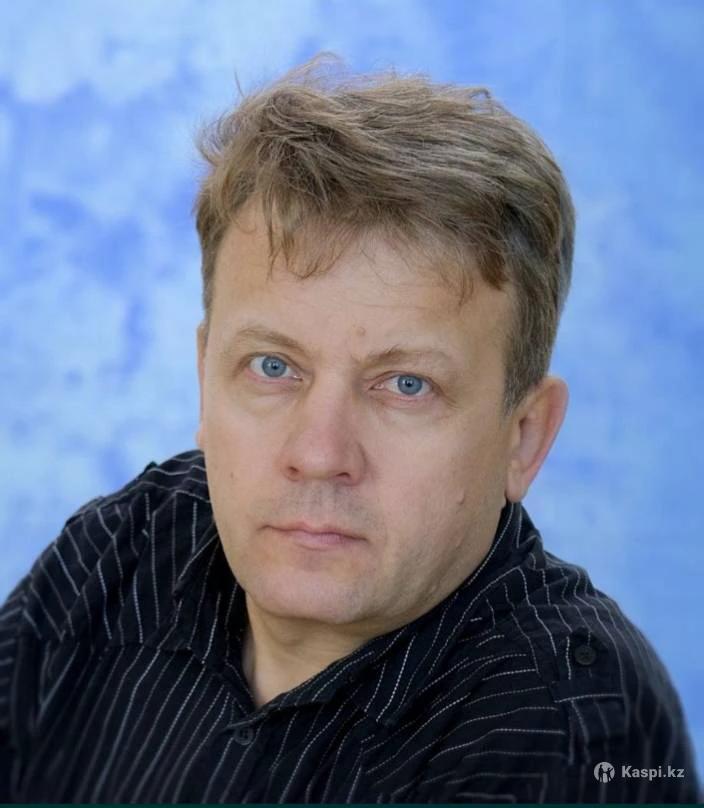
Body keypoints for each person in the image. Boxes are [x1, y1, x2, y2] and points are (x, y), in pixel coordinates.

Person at [0, 55, 699, 803]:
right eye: (273, 367)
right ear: (206, 378)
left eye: (406, 385)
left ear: (524, 437)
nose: (318, 454)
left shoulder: (569, 741)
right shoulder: (121, 554)